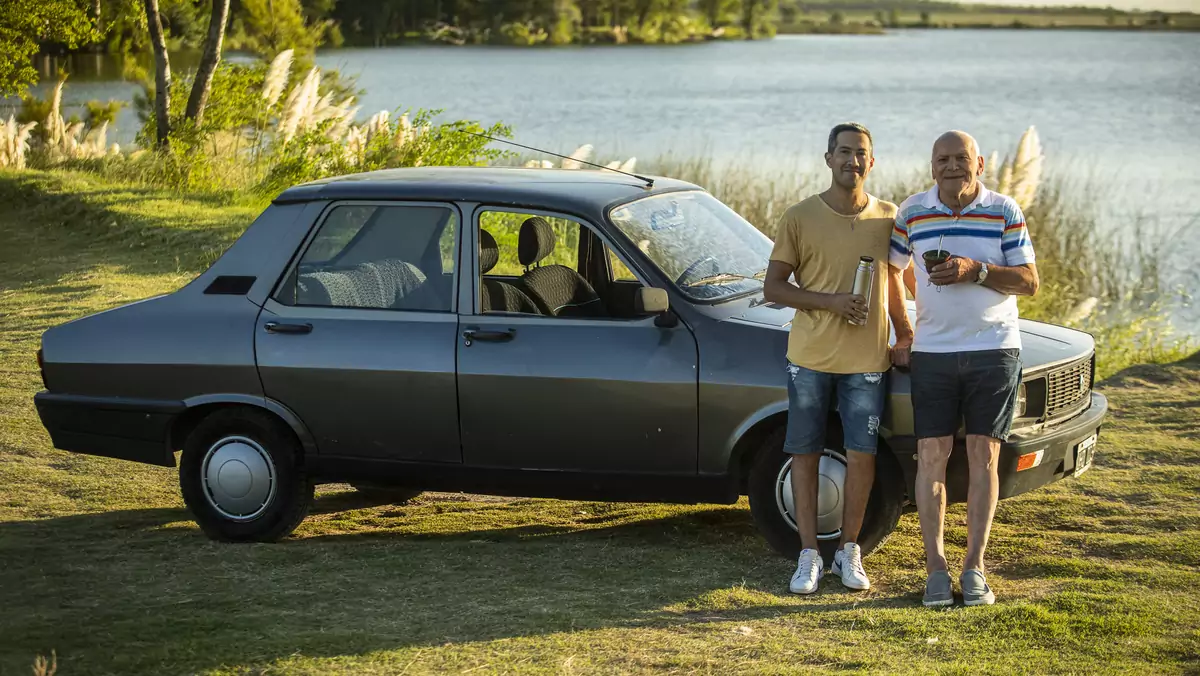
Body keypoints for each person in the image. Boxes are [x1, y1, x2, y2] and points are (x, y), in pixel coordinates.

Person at [888, 130, 1039, 607]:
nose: (952, 166)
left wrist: (976, 270)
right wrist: (905, 332)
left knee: (984, 458)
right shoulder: (912, 211)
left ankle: (974, 567)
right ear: (932, 167)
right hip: (932, 352)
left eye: (961, 159)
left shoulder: (1004, 210)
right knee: (930, 454)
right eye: (942, 159)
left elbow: (1030, 281)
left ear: (978, 165)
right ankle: (935, 568)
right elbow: (893, 270)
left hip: (994, 349)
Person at [764, 122, 914, 594]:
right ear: (828, 158)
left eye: (861, 154)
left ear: (872, 162)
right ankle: (808, 554)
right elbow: (774, 287)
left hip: (868, 362)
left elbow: (893, 284)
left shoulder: (888, 217)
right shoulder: (799, 217)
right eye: (844, 152)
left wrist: (905, 333)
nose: (853, 161)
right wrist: (831, 302)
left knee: (862, 455)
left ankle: (850, 551)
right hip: (808, 358)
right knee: (804, 453)